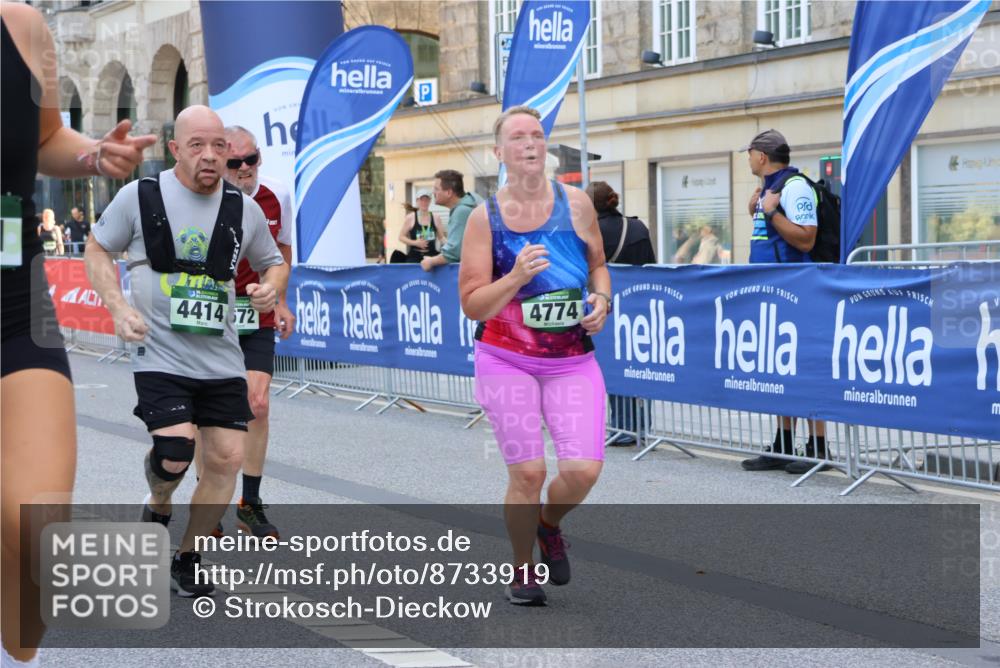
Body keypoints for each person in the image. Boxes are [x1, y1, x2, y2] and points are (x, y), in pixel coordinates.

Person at [1, 3, 156, 666]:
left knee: (39, 529)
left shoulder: (22, 26)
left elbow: (42, 144)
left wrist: (96, 156)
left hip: (13, 295)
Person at [84, 105, 288, 598]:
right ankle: (158, 502)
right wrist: (116, 307)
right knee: (176, 452)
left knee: (225, 459)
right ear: (175, 149)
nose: (211, 157)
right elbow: (97, 249)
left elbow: (274, 262)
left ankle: (188, 556)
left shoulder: (245, 208)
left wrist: (269, 289)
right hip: (159, 353)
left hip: (221, 359)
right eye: (197, 146)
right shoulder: (141, 195)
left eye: (220, 147)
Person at [459, 106, 611, 606]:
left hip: (571, 358)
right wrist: (517, 277)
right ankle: (522, 570)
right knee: (528, 473)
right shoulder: (487, 218)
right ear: (499, 153)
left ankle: (549, 524)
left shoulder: (578, 204)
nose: (530, 143)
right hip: (506, 357)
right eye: (518, 137)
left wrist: (602, 302)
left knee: (584, 470)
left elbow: (599, 268)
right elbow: (472, 303)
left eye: (538, 135)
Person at [196, 124, 296, 539]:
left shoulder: (276, 195)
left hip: (257, 313)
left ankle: (249, 503)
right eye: (234, 162)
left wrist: (281, 298)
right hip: (211, 316)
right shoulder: (203, 198)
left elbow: (284, 250)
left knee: (257, 405)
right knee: (208, 410)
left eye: (250, 160)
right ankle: (211, 499)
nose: (244, 169)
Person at [737, 129, 827, 474]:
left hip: (795, 293)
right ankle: (784, 443)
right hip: (769, 293)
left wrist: (772, 212)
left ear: (761, 156)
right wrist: (760, 209)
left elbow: (805, 239)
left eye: (749, 153)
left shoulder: (795, 187)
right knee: (777, 367)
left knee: (801, 367)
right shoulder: (770, 189)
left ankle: (818, 448)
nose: (747, 159)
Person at [586, 181, 655, 447]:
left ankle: (621, 427)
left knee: (613, 365)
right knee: (638, 364)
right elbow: (651, 264)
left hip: (607, 304)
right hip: (640, 306)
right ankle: (640, 427)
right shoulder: (637, 227)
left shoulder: (593, 232)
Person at [420, 169, 482, 272]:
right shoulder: (468, 206)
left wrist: (431, 261)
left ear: (448, 192)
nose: (433, 192)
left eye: (436, 189)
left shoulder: (461, 212)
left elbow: (453, 253)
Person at [399, 189, 446, 263]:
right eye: (422, 200)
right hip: (414, 257)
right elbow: (401, 237)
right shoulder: (410, 218)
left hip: (432, 256)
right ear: (417, 201)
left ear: (430, 201)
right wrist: (415, 243)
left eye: (426, 200)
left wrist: (452, 248)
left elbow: (442, 238)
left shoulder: (436, 217)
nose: (424, 202)